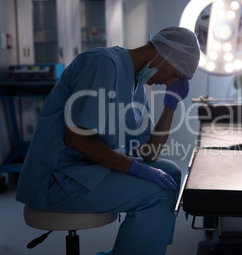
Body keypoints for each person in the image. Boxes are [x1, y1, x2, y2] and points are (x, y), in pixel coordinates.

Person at [16, 27, 200, 255]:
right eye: (174, 76)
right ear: (167, 52)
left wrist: (171, 104)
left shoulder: (136, 87)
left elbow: (149, 153)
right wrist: (135, 169)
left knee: (171, 172)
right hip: (56, 178)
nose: (168, 83)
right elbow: (76, 139)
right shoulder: (104, 64)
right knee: (158, 194)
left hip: (86, 170)